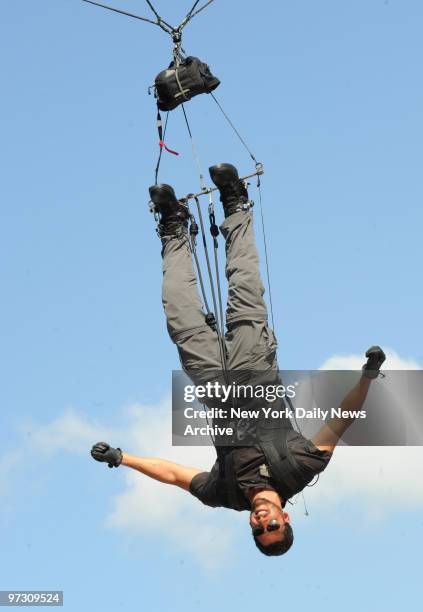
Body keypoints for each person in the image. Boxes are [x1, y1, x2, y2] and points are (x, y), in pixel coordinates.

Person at [91, 163, 386, 556]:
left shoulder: (224, 494)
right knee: (244, 284)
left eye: (259, 530)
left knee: (176, 305)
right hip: (256, 369)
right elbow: (339, 423)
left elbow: (175, 475)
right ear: (287, 519)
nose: (263, 521)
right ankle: (236, 204)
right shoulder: (299, 470)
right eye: (273, 526)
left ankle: (173, 224)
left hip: (210, 380)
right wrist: (367, 377)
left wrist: (122, 458)